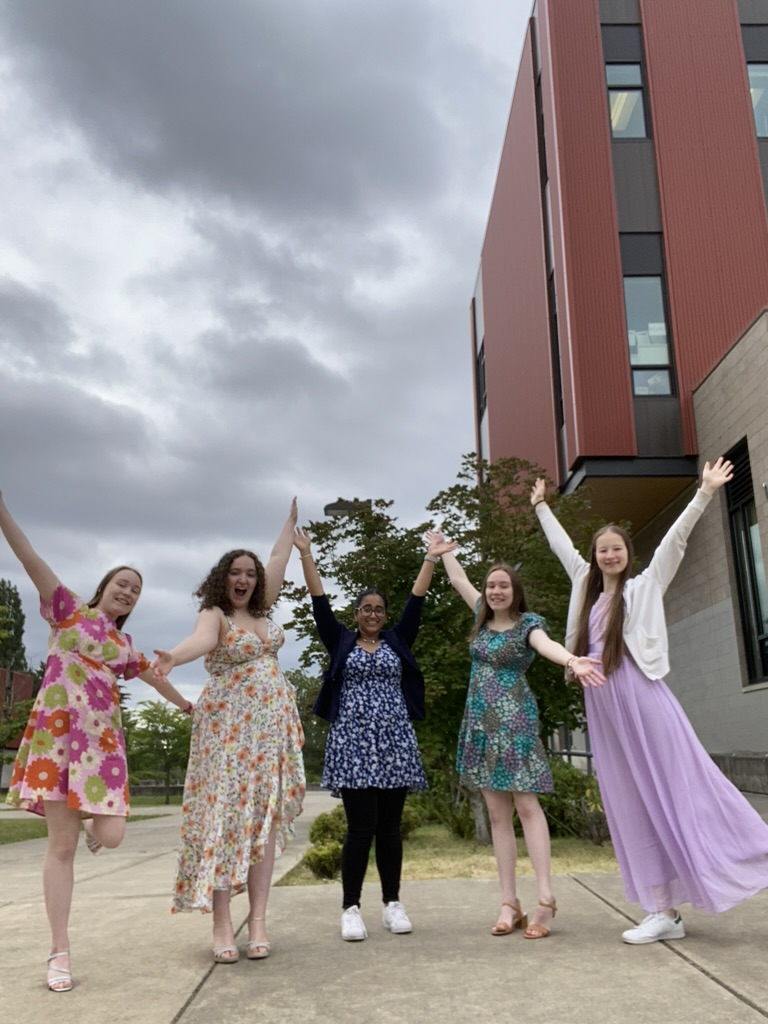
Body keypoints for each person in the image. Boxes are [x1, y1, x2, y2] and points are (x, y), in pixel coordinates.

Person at [531, 458, 768, 943]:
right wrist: (539, 508)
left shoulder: (644, 588)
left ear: (627, 553)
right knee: (630, 803)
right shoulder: (585, 589)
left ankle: (756, 851)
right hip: (605, 709)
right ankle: (664, 911)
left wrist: (703, 493)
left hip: (644, 700)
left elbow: (675, 541)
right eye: (602, 550)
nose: (608, 555)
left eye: (616, 548)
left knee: (687, 787)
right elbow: (561, 549)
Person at [0, 489, 192, 993]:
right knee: (59, 847)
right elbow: (29, 557)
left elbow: (155, 675)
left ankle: (90, 828)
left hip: (103, 752)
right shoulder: (66, 612)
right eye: (122, 583)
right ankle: (59, 951)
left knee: (110, 836)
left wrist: (187, 706)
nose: (128, 592)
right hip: (57, 742)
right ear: (104, 586)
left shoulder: (124, 644)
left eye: (136, 590)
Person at [152, 499, 304, 964]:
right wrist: (174, 658)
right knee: (224, 823)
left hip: (270, 737)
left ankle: (256, 921)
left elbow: (277, 561)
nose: (245, 579)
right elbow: (202, 641)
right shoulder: (214, 613)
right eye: (236, 572)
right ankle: (221, 922)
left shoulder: (262, 614)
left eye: (250, 573)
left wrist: (288, 526)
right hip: (228, 736)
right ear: (224, 578)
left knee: (263, 825)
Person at [434, 532, 604, 940]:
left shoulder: (528, 625)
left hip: (516, 724)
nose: (495, 591)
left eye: (503, 585)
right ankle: (509, 902)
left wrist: (572, 660)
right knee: (497, 814)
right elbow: (459, 582)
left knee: (526, 806)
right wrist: (445, 555)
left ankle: (545, 899)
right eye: (491, 585)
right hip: (480, 722)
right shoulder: (480, 615)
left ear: (515, 591)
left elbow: (546, 646)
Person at [293, 527, 454, 941]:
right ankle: (350, 908)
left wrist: (431, 558)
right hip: (353, 745)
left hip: (395, 744)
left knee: (390, 828)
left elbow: (416, 601)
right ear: (357, 612)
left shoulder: (397, 640)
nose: (373, 614)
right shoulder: (341, 641)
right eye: (366, 608)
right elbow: (319, 604)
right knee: (360, 828)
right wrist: (306, 554)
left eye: (379, 609)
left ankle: (392, 904)